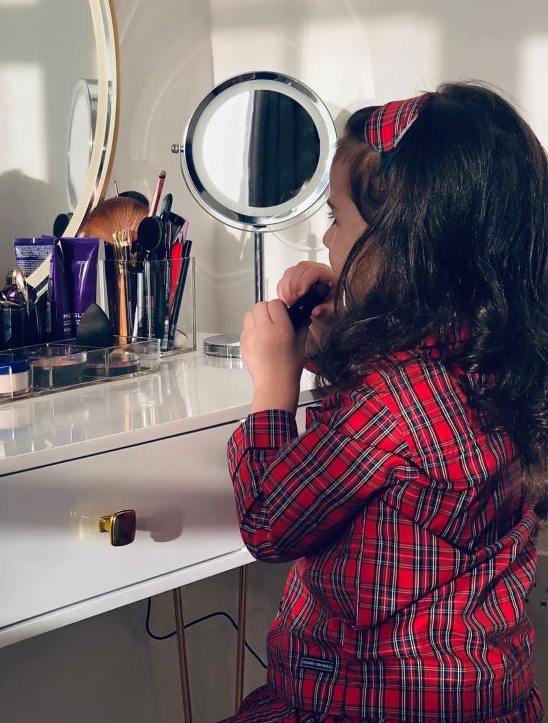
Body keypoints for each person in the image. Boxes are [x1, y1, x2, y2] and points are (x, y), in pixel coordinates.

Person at [221, 83, 548, 723]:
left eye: (339, 219)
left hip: (366, 700)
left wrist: (273, 389)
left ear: (400, 247)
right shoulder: (501, 357)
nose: (326, 234)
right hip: (485, 697)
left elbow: (268, 522)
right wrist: (336, 326)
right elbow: (410, 443)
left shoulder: (394, 399)